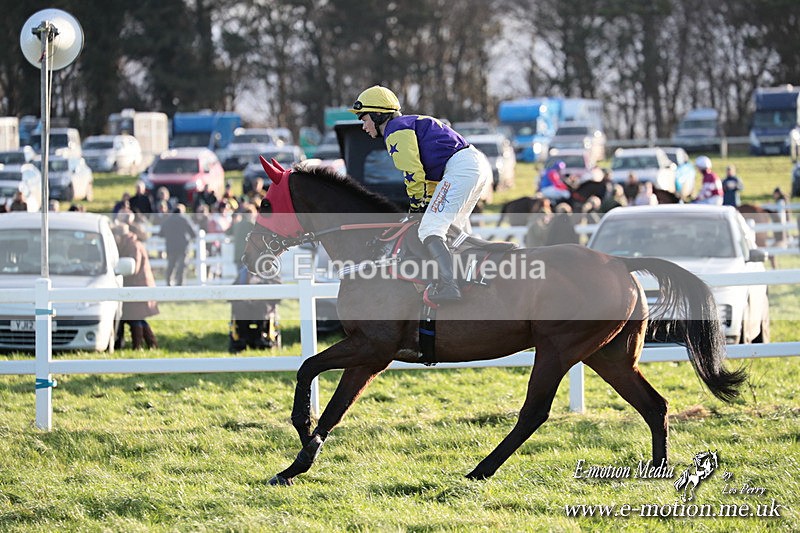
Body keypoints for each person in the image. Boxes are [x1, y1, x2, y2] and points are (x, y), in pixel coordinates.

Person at [350, 85, 492, 303]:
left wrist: (417, 205)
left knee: (430, 228)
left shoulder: (395, 130)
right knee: (455, 231)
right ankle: (477, 280)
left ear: (378, 115)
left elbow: (413, 173)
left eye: (364, 118)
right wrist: (424, 203)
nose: (363, 126)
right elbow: (429, 180)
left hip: (462, 168)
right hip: (472, 164)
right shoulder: (405, 125)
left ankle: (449, 286)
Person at [113, 223, 159, 349]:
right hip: (136, 285)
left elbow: (134, 267)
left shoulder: (133, 246)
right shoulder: (130, 244)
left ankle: (138, 346)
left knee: (135, 317)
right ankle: (151, 344)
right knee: (136, 317)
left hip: (138, 285)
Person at [158, 204, 197, 286]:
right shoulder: (185, 219)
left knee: (171, 266)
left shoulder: (167, 220)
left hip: (171, 247)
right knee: (181, 268)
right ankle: (180, 284)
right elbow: (193, 234)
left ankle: (168, 283)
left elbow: (161, 234)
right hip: (183, 247)